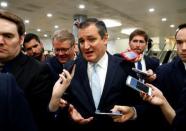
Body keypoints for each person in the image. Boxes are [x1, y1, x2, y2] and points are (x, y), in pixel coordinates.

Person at [49, 18, 145, 129]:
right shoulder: (70, 68)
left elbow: (140, 104)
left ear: (105, 39)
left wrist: (133, 112)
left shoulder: (125, 66)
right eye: (81, 41)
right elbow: (66, 105)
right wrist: (69, 112)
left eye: (91, 39)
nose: (85, 46)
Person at [0, 10, 54, 131]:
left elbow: (40, 119)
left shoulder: (38, 70)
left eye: (8, 36)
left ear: (20, 39)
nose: (0, 42)